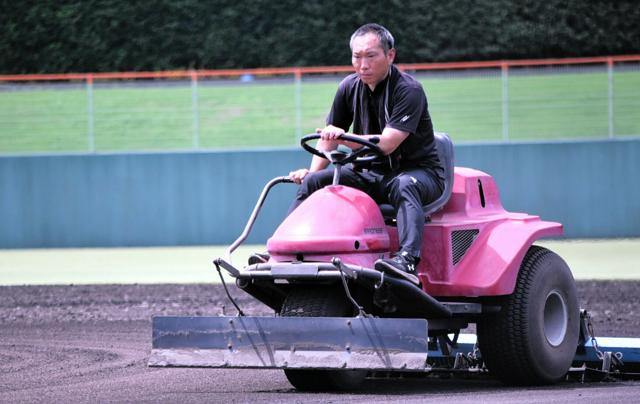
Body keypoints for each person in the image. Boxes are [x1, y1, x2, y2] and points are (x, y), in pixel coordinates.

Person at [286, 23, 444, 286]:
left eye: (371, 56)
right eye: (357, 57)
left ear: (390, 55)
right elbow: (328, 141)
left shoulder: (409, 90)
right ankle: (287, 250)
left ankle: (406, 260)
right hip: (372, 174)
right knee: (315, 183)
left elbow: (387, 145)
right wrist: (311, 172)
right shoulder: (348, 87)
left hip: (420, 174)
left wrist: (344, 138)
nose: (363, 64)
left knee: (404, 185)